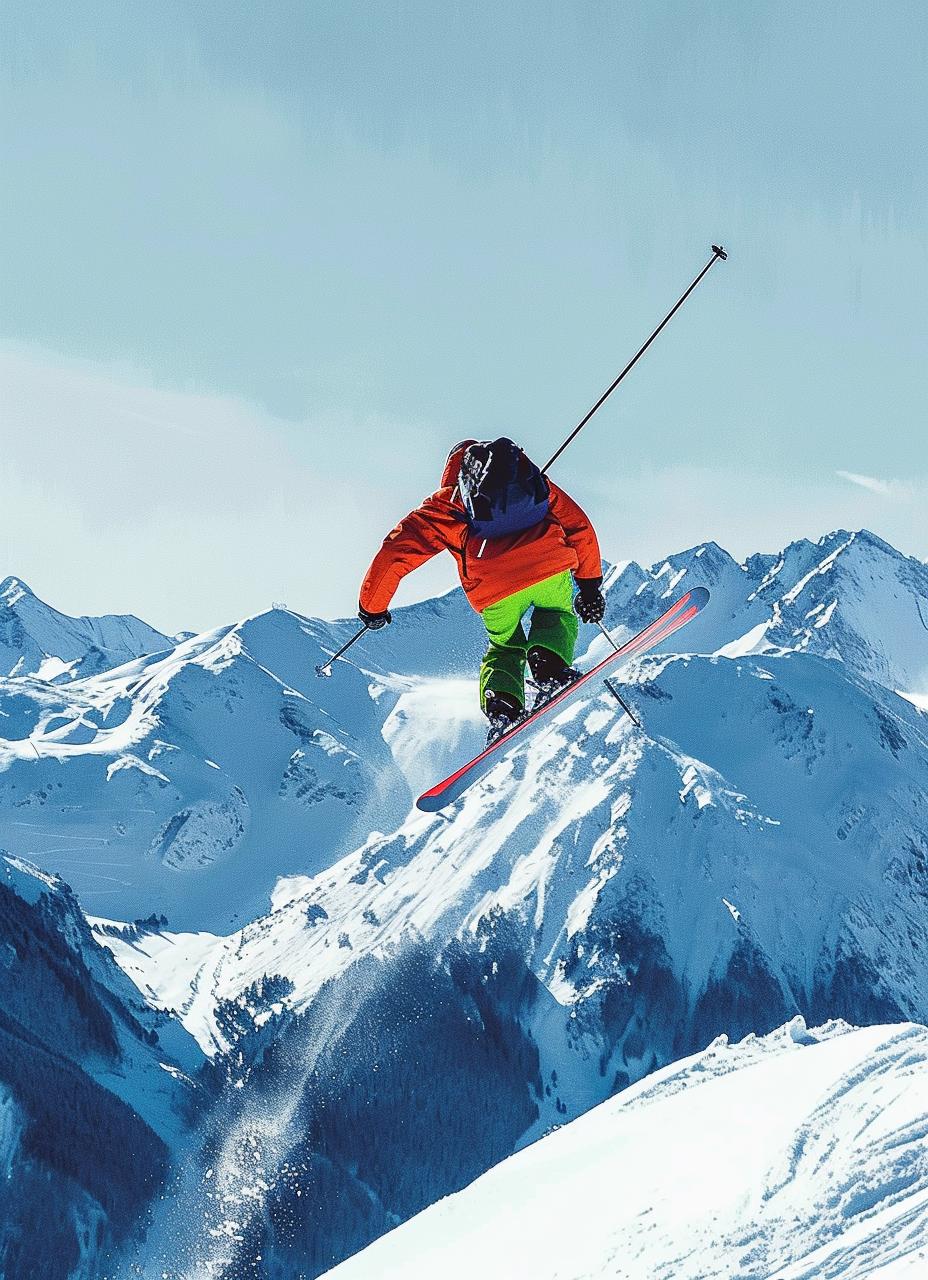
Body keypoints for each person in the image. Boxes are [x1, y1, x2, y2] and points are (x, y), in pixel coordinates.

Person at [358, 438, 606, 744]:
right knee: (556, 613)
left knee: (505, 647)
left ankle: (504, 707)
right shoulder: (530, 482)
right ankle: (550, 667)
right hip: (549, 568)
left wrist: (372, 606)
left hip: (495, 588)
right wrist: (589, 584)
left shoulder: (443, 507)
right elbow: (579, 525)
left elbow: (395, 553)